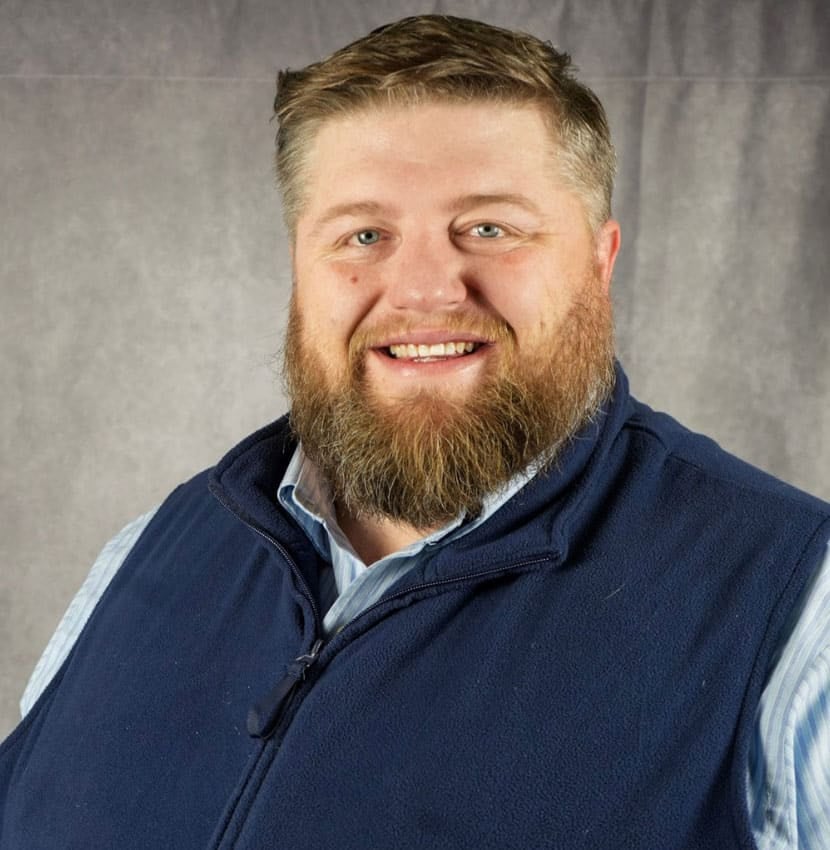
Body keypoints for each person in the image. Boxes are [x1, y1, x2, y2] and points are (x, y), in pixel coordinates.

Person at [1, 14, 828, 850]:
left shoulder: (795, 609)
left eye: (490, 228)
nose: (426, 289)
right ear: (299, 267)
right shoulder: (147, 552)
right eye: (365, 235)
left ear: (600, 260)